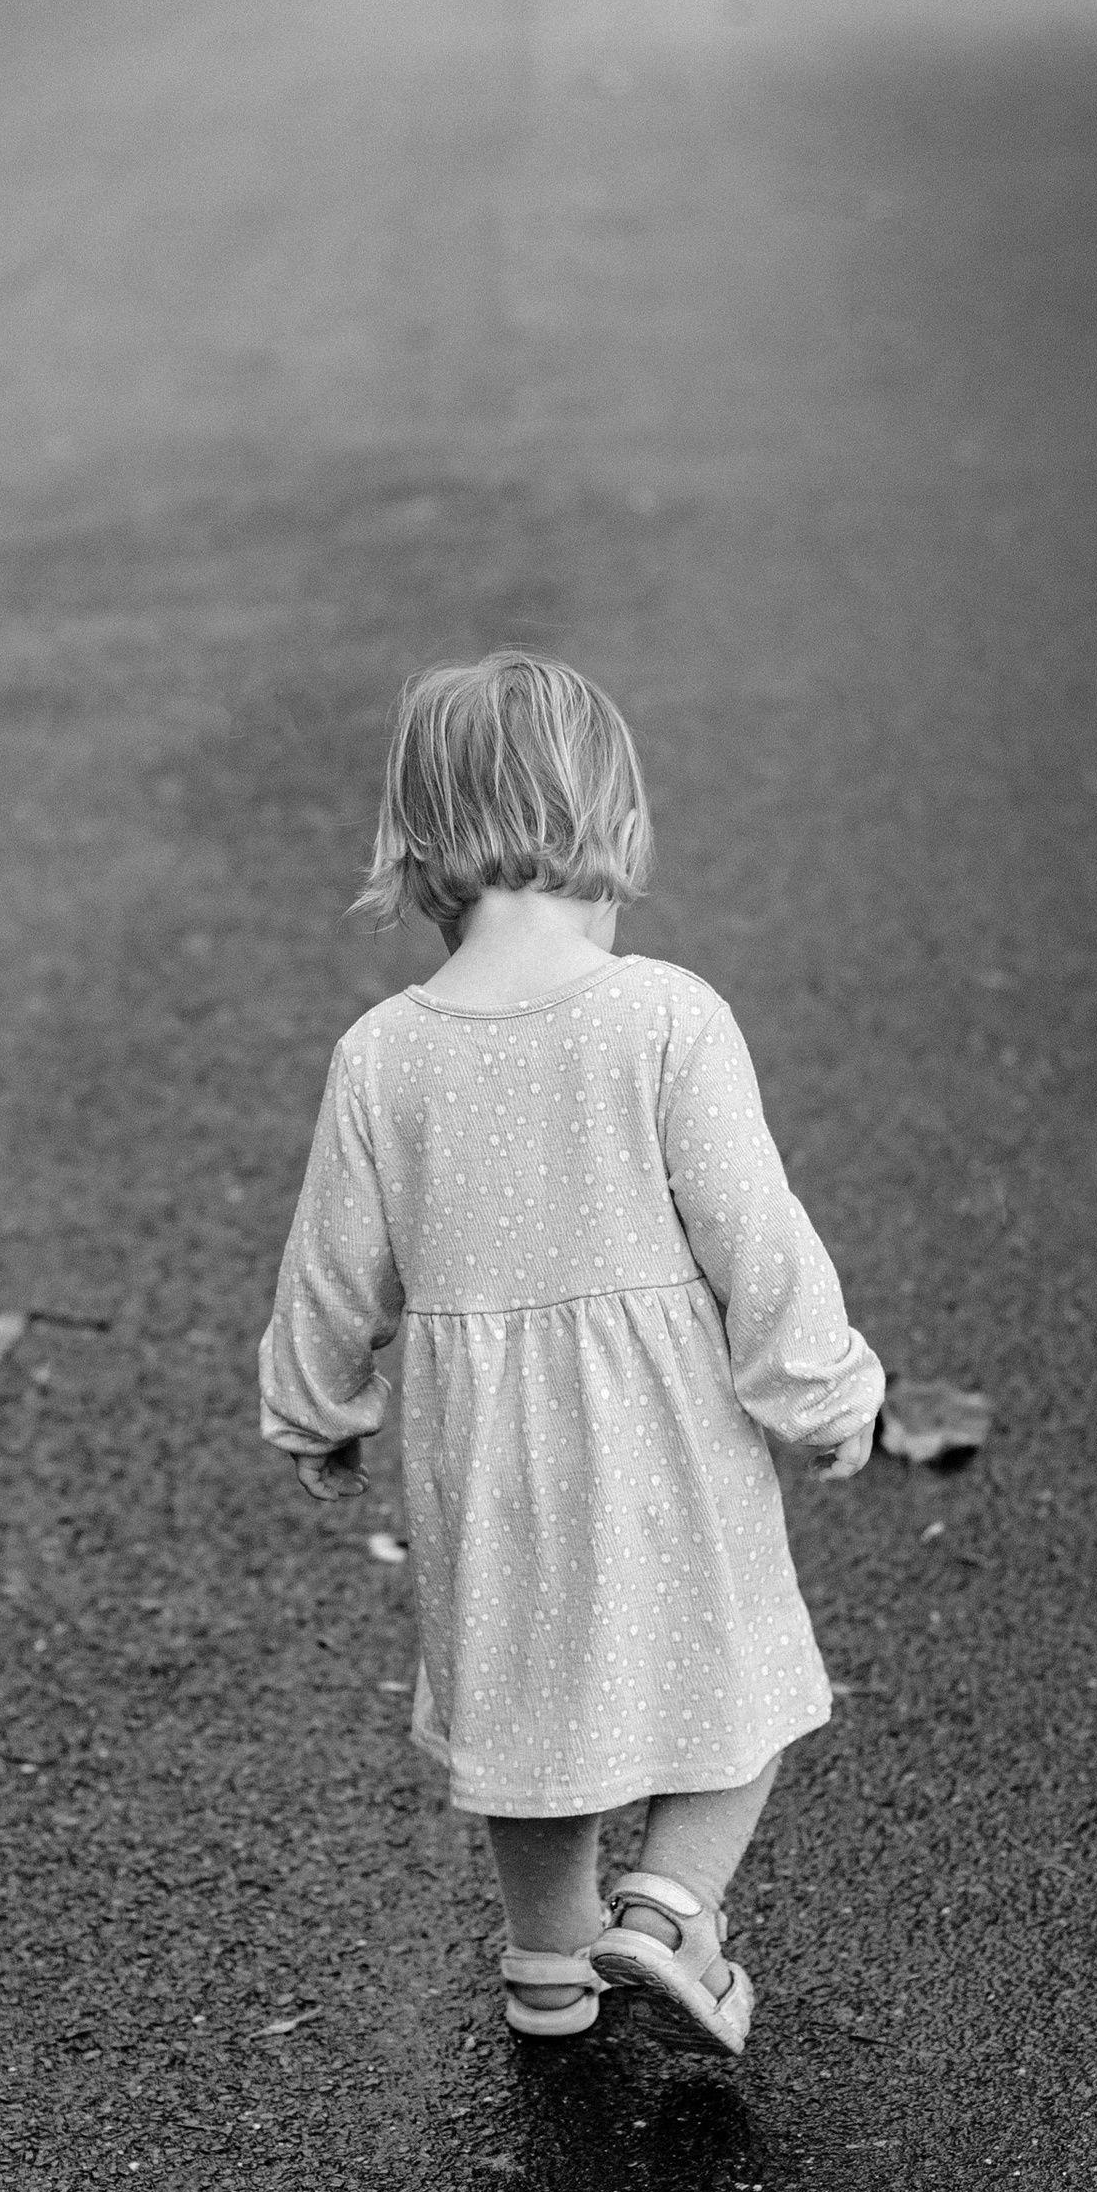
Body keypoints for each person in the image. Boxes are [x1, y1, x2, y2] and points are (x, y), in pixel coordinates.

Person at [258, 653, 880, 2061]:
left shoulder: (382, 1054)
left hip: (484, 1459)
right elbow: (755, 1239)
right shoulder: (665, 1013)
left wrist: (315, 1405)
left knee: (527, 1710)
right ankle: (664, 1917)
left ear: (416, 844)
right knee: (743, 1681)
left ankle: (549, 1971)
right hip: (662, 1433)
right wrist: (826, 1392)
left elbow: (331, 1264)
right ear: (609, 817)